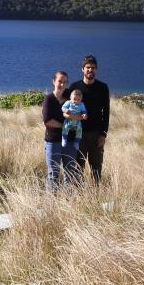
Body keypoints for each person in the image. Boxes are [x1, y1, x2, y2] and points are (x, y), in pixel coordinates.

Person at [68, 55, 110, 184]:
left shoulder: (103, 88)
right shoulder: (75, 87)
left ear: (96, 70)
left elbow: (106, 112)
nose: (90, 70)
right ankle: (79, 195)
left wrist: (103, 134)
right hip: (78, 134)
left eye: (93, 68)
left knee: (96, 167)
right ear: (82, 69)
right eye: (87, 67)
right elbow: (68, 110)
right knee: (77, 167)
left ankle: (95, 195)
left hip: (96, 135)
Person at [41, 70, 69, 192]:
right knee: (53, 174)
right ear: (53, 82)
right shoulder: (49, 99)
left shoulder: (69, 98)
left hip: (68, 142)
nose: (62, 84)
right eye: (59, 81)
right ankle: (51, 205)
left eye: (65, 82)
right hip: (53, 142)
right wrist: (65, 126)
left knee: (70, 173)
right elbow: (47, 121)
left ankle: (68, 204)